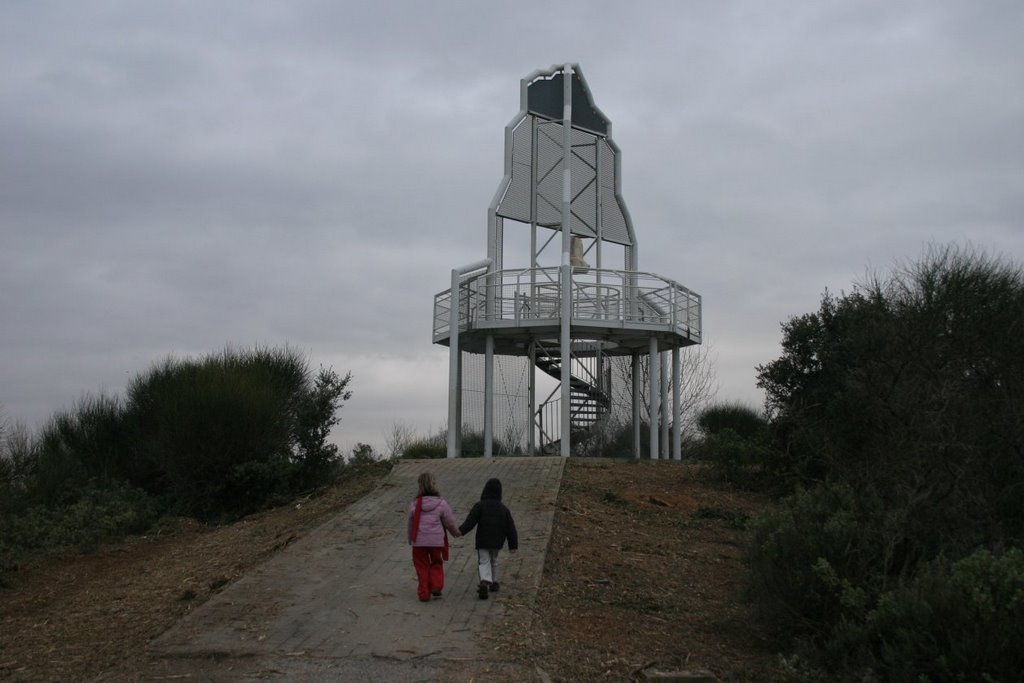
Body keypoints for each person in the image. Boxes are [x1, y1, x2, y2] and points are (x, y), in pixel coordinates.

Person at [459, 477, 518, 600]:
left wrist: (460, 531)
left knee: (484, 561)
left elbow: (471, 521)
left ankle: (485, 581)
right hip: (497, 541)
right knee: (493, 560)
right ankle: (493, 581)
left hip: (483, 540)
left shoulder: (480, 506)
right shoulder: (504, 509)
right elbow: (510, 527)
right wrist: (513, 545)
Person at [408, 471, 462, 602]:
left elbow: (410, 523)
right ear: (434, 485)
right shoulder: (441, 503)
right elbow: (449, 522)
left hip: (419, 542)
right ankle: (436, 586)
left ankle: (424, 593)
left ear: (420, 486)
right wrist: (456, 532)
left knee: (421, 566)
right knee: (436, 563)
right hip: (436, 541)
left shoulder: (415, 504)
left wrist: (410, 538)